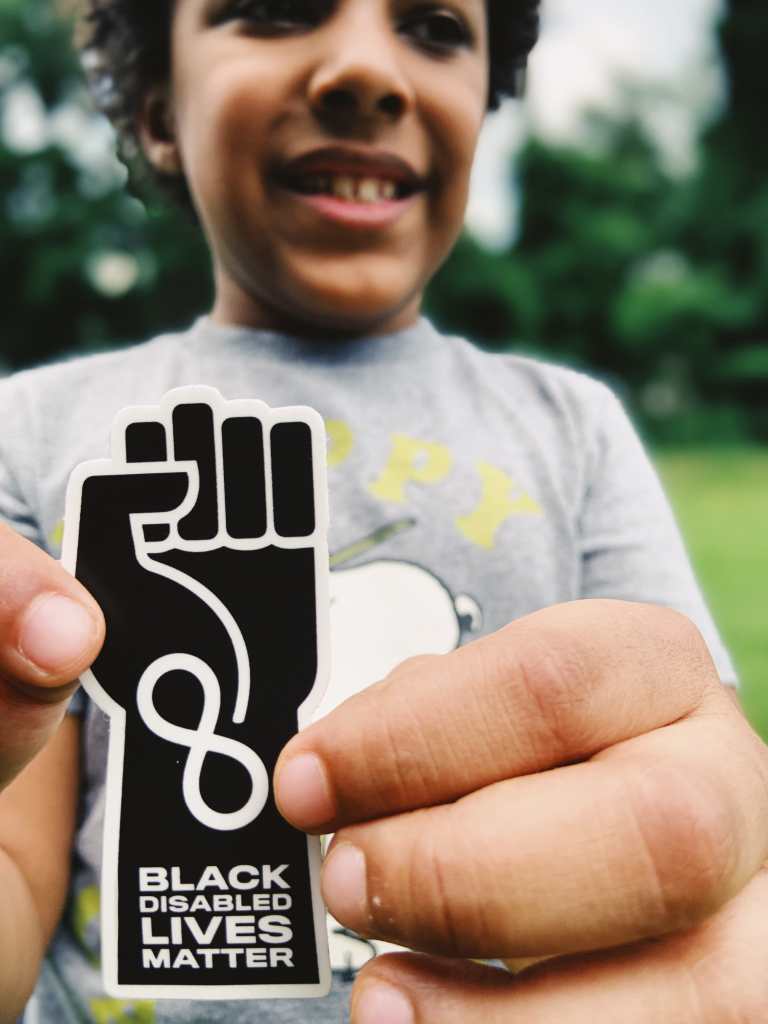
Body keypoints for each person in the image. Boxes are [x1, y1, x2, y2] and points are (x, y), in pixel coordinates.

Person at [1, 1, 767, 1022]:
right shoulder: (34, 427)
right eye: (272, 11)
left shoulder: (574, 428)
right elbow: (16, 865)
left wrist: (718, 820)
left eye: (436, 28)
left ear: (485, 104)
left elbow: (690, 764)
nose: (366, 71)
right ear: (159, 116)